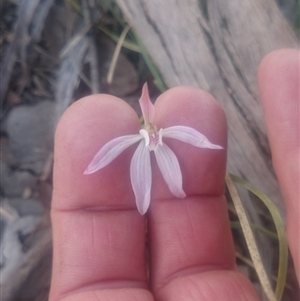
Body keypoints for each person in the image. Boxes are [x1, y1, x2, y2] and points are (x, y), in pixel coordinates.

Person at [49, 49, 299, 301]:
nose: (153, 135)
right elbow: (107, 160)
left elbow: (198, 141)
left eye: (153, 132)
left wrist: (189, 146)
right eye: (150, 132)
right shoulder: (140, 144)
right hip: (143, 149)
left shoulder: (161, 139)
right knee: (144, 192)